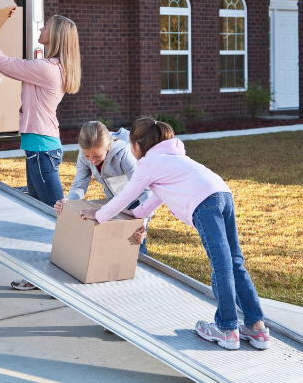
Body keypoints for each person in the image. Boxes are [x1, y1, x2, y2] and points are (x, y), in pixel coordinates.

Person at [79, 117, 270, 351]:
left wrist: (99, 216)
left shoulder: (148, 163)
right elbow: (158, 196)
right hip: (223, 193)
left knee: (221, 265)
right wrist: (137, 214)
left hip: (205, 203)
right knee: (235, 262)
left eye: (130, 145)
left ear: (138, 146)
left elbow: (125, 195)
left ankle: (227, 329)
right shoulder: (173, 158)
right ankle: (257, 327)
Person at [0, 12, 81, 291]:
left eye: (46, 26)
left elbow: (6, 62)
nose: (41, 27)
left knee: (55, 217)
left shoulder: (48, 68)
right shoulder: (49, 67)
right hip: (39, 148)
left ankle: (63, 277)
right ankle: (41, 276)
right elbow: (6, 67)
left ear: (57, 36)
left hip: (41, 149)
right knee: (40, 215)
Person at [54, 121, 150, 255]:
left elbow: (145, 191)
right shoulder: (84, 155)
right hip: (113, 203)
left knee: (136, 248)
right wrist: (68, 200)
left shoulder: (124, 155)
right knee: (115, 247)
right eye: (87, 156)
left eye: (97, 156)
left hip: (136, 203)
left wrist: (143, 223)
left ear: (109, 146)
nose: (92, 160)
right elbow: (79, 185)